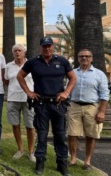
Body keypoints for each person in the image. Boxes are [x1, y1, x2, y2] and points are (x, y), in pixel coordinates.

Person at [17, 36, 77, 176]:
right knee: (42, 135)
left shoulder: (62, 61)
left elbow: (73, 78)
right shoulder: (33, 62)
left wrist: (66, 92)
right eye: (44, 46)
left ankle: (62, 164)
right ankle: (40, 163)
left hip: (58, 104)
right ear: (40, 47)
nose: (47, 48)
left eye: (49, 46)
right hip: (41, 104)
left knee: (60, 135)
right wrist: (28, 92)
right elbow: (20, 76)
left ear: (52, 47)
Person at [67, 49, 109, 170]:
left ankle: (87, 161)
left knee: (91, 135)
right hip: (74, 106)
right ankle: (73, 159)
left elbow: (104, 94)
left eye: (87, 56)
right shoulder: (72, 73)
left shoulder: (99, 74)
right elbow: (68, 89)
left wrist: (101, 111)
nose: (84, 58)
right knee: (72, 134)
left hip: (92, 107)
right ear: (78, 58)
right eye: (81, 56)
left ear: (91, 58)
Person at [4, 44, 36, 163]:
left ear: (24, 52)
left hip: (29, 99)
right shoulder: (8, 66)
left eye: (20, 51)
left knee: (30, 125)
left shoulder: (31, 65)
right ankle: (20, 149)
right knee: (15, 125)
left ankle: (31, 152)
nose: (18, 53)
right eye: (15, 51)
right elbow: (7, 80)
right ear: (13, 53)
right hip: (13, 98)